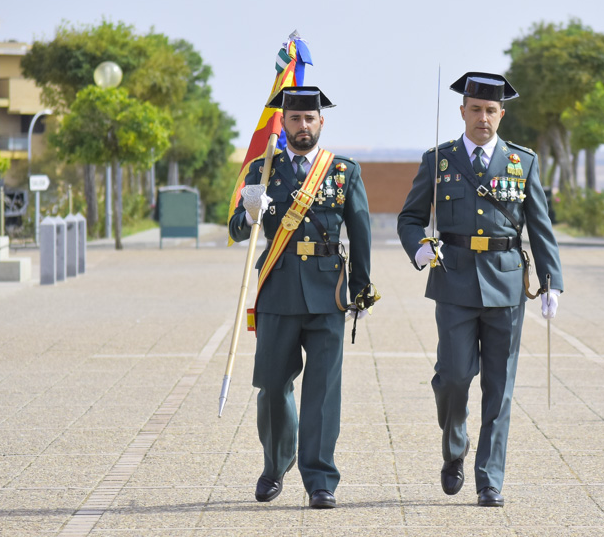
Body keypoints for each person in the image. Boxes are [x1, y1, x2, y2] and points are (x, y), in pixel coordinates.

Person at [397, 71, 563, 507]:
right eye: (476, 110)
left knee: (499, 385)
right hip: (452, 280)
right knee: (453, 377)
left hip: (507, 283)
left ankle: (489, 478)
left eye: (491, 111)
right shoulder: (440, 159)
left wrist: (551, 283)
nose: (483, 118)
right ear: (463, 112)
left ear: (501, 114)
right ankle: (455, 448)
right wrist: (419, 251)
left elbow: (541, 229)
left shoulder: (521, 162)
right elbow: (410, 217)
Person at [229, 86, 374, 509]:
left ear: (320, 123)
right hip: (277, 288)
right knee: (273, 387)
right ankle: (275, 465)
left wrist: (361, 291)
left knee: (323, 392)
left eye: (310, 118)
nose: (303, 125)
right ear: (284, 123)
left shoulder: (343, 171)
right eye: (295, 119)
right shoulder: (262, 170)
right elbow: (237, 229)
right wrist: (251, 211)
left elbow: (361, 232)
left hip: (328, 292)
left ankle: (320, 479)